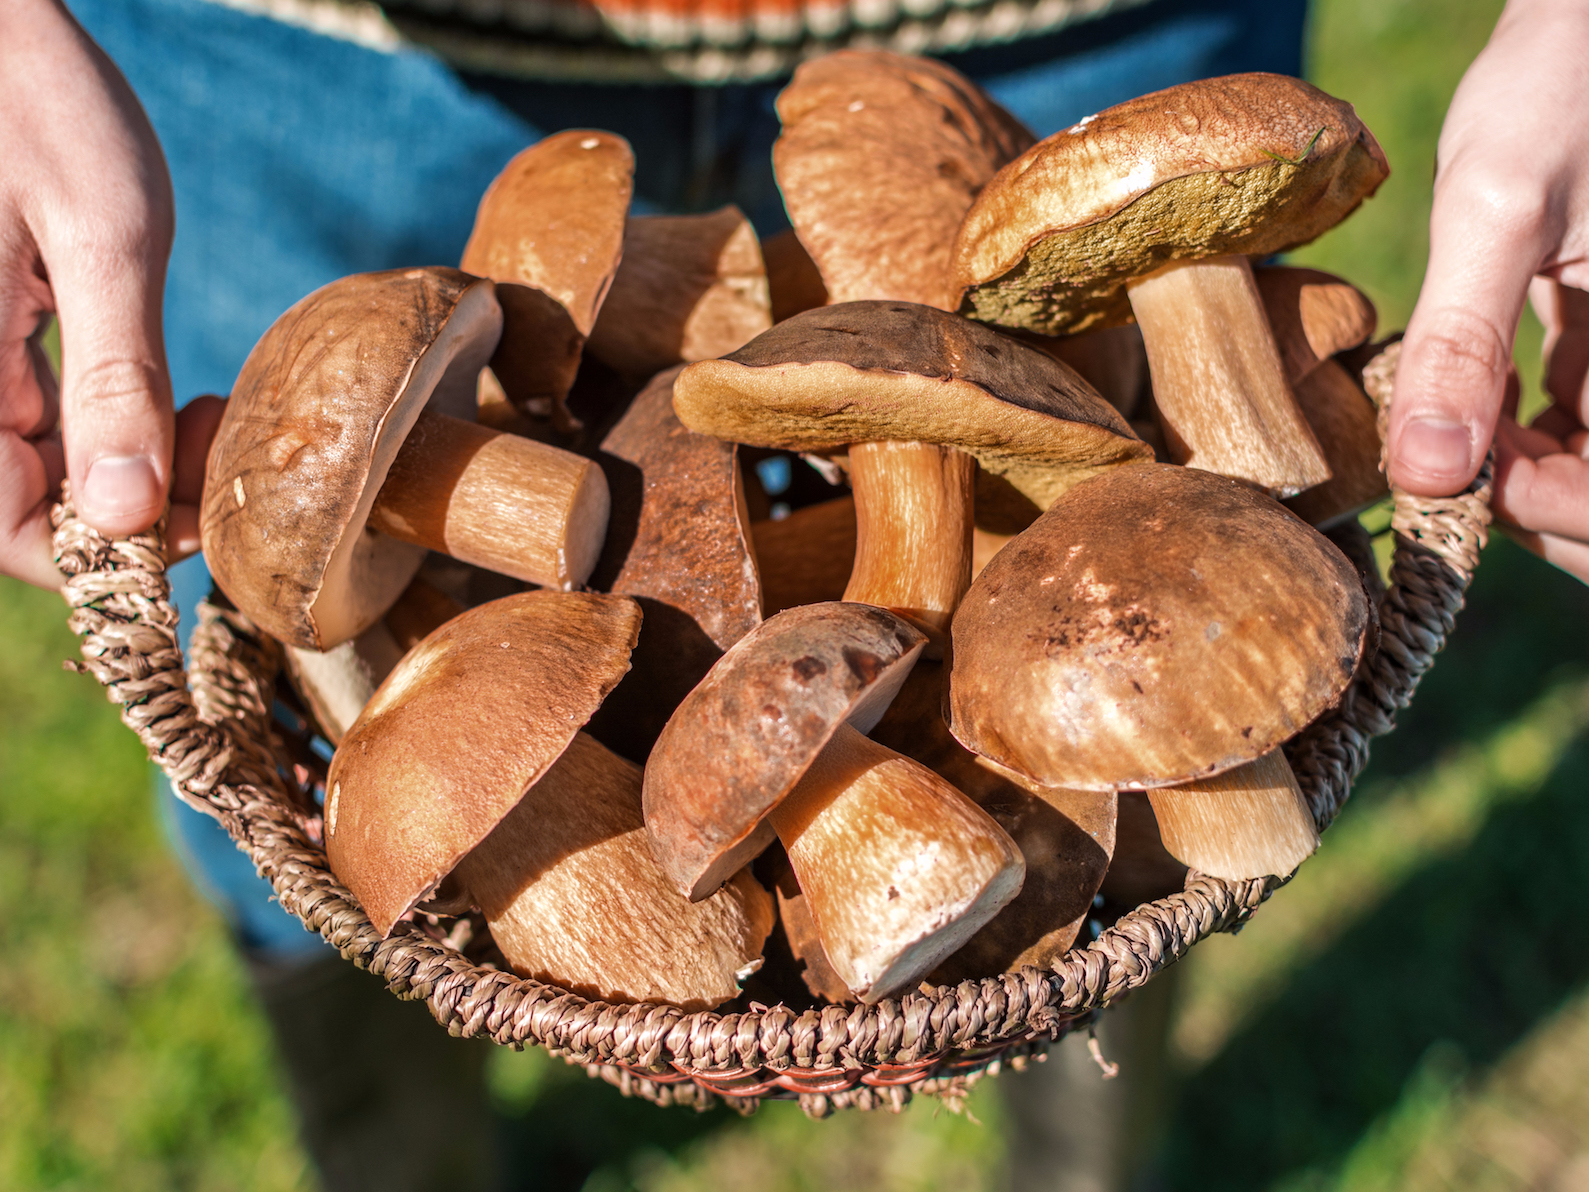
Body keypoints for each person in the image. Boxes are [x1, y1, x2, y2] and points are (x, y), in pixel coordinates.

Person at [1, 0, 1584, 1187]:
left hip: (1069, 34)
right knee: (289, 806)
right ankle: (392, 1155)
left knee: (1166, 715)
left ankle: (1087, 1148)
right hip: (304, 68)